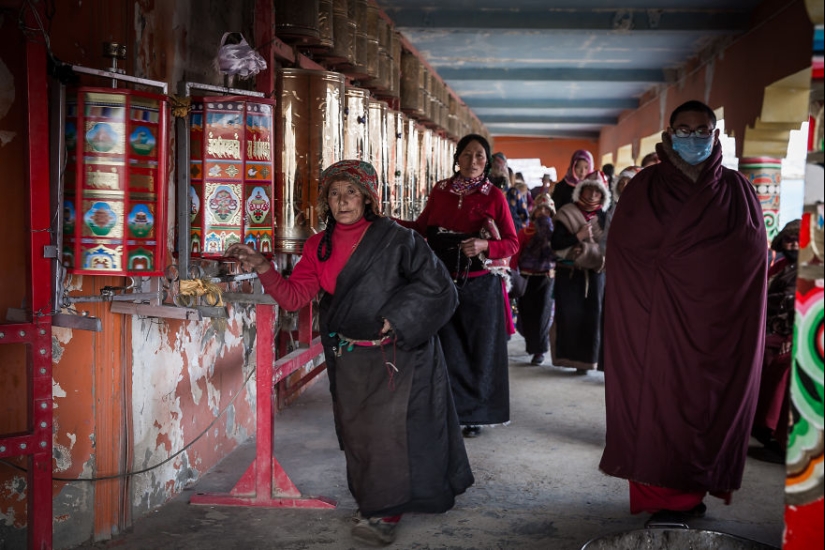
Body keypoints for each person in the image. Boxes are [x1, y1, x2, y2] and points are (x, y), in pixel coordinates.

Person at [226, 160, 474, 547]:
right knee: (358, 436)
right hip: (349, 357)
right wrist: (263, 267)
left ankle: (384, 513)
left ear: (369, 198)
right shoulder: (316, 245)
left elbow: (439, 287)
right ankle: (376, 501)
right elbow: (294, 298)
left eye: (351, 193)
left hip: (397, 354)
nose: (342, 201)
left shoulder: (398, 239)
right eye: (334, 194)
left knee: (387, 435)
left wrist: (398, 317)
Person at [599, 100, 768, 521]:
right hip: (654, 320)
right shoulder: (644, 186)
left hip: (716, 326)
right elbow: (625, 254)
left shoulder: (737, 189)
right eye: (684, 130)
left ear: (715, 135)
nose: (693, 138)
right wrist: (674, 273)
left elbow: (751, 257)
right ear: (669, 134)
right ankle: (662, 497)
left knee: (708, 404)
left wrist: (702, 277)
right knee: (655, 400)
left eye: (702, 130)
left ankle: (694, 490)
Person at [397, 134, 519, 439]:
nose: (473, 161)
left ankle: (474, 416)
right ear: (457, 157)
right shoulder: (440, 190)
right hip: (442, 283)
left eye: (479, 156)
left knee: (478, 352)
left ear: (487, 162)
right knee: (447, 350)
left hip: (481, 286)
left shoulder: (495, 197)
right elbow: (423, 227)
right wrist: (389, 222)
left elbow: (512, 244)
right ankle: (447, 411)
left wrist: (483, 245)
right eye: (467, 155)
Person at [550, 171, 610, 373]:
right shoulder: (567, 212)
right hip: (569, 273)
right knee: (569, 316)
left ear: (603, 195)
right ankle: (568, 359)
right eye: (589, 189)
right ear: (580, 189)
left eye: (598, 191)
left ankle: (588, 362)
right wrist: (578, 236)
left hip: (595, 274)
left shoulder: (604, 216)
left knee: (593, 318)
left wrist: (588, 249)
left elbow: (610, 245)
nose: (593, 194)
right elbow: (555, 243)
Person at [751, 219, 800, 463]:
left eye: (798, 239)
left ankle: (779, 439)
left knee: (782, 366)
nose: (793, 243)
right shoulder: (779, 265)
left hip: (793, 334)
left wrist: (793, 338)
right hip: (767, 330)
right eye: (789, 238)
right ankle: (754, 426)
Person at [511, 193, 557, 365]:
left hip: (546, 277)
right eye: (540, 209)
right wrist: (512, 273)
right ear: (534, 211)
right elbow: (516, 254)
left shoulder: (555, 233)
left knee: (543, 315)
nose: (543, 212)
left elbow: (557, 253)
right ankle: (533, 345)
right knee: (526, 314)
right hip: (526, 277)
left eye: (547, 209)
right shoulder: (525, 232)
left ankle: (539, 350)